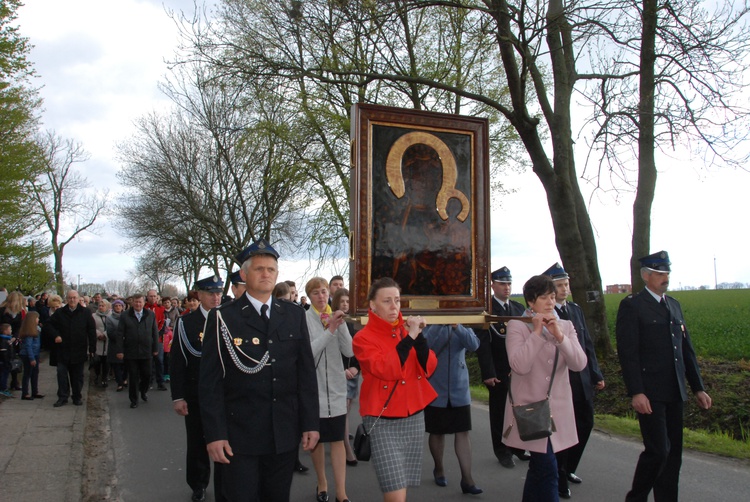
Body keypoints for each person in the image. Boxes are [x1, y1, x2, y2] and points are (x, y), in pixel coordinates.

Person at [199, 239, 320, 502]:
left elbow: (305, 375)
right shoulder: (223, 318)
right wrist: (215, 434)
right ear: (244, 274)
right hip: (239, 434)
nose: (266, 274)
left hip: (283, 432)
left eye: (271, 270)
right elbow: (210, 383)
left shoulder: (293, 314)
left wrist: (310, 423)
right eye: (259, 269)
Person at [616, 251, 712, 502]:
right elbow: (629, 353)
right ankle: (635, 498)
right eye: (660, 273)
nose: (665, 278)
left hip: (675, 390)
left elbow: (685, 351)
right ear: (646, 276)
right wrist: (636, 391)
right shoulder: (632, 306)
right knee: (658, 451)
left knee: (673, 455)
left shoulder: (674, 305)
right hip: (650, 392)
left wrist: (698, 387)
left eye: (667, 273)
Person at [352, 277, 437, 502]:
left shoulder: (405, 330)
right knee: (395, 491)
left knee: (402, 487)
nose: (394, 307)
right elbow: (385, 368)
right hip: (383, 422)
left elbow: (429, 366)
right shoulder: (363, 338)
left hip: (413, 416)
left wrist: (419, 338)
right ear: (372, 305)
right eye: (387, 301)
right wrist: (410, 336)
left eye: (397, 300)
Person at [503, 275, 587, 502]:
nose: (550, 302)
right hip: (530, 410)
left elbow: (579, 363)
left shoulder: (566, 326)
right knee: (548, 467)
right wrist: (538, 333)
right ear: (531, 301)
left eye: (552, 296)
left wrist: (559, 336)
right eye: (543, 297)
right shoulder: (517, 326)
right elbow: (519, 365)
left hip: (557, 411)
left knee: (541, 468)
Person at [540, 262, 606, 499]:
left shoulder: (575, 310)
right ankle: (558, 475)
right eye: (559, 285)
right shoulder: (547, 315)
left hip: (581, 377)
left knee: (585, 423)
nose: (565, 288)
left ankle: (570, 468)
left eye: (566, 284)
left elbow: (586, 344)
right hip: (561, 380)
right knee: (562, 430)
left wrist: (595, 373)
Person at [171, 275, 224, 502]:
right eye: (210, 293)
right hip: (196, 393)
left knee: (226, 441)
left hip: (225, 394)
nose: (215, 297)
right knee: (197, 442)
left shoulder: (229, 318)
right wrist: (178, 396)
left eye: (218, 293)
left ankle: (226, 485)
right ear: (199, 295)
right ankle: (198, 484)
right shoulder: (186, 323)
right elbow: (177, 361)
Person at [305, 277, 353, 502]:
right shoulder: (304, 319)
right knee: (317, 440)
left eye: (324, 292)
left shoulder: (337, 316)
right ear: (310, 297)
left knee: (337, 439)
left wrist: (340, 327)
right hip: (314, 389)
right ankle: (322, 482)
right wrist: (330, 330)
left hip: (335, 387)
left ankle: (341, 491)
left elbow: (350, 352)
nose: (321, 297)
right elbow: (309, 352)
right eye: (316, 293)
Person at [475, 266, 529, 468]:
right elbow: (483, 344)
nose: (506, 288)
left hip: (518, 371)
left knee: (519, 410)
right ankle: (502, 450)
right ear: (493, 285)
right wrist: (488, 372)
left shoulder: (516, 309)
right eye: (502, 284)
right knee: (499, 413)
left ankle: (518, 447)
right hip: (498, 370)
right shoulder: (487, 311)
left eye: (509, 283)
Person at [422, 323, 482, 495]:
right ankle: (438, 468)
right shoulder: (430, 323)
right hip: (435, 387)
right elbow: (425, 345)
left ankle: (467, 478)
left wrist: (457, 326)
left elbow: (474, 344)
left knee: (463, 431)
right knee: (437, 431)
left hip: (459, 387)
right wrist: (440, 325)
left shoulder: (461, 322)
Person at [49, 290, 96, 407]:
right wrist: (56, 335)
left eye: (74, 298)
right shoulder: (60, 312)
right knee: (61, 374)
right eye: (70, 298)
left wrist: (92, 349)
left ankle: (76, 396)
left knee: (77, 376)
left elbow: (91, 331)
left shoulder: (85, 312)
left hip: (78, 349)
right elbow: (48, 325)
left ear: (78, 299)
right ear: (66, 299)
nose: (72, 300)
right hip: (62, 349)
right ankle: (62, 397)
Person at [331, 288, 360, 467]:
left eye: (348, 302)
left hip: (353, 373)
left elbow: (361, 349)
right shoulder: (331, 321)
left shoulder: (356, 322)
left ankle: (341, 440)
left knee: (347, 410)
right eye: (342, 301)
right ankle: (346, 448)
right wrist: (341, 370)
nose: (345, 305)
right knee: (343, 411)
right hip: (338, 372)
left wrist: (357, 368)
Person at [115, 293, 159, 409]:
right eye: (136, 302)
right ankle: (134, 399)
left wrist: (155, 348)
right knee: (133, 376)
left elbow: (154, 332)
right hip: (131, 352)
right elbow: (120, 334)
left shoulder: (150, 315)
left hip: (146, 351)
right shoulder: (125, 316)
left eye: (140, 302)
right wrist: (120, 350)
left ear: (144, 303)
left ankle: (143, 391)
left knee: (147, 375)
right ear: (132, 303)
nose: (138, 304)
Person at [145, 289, 167, 391]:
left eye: (154, 296)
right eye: (150, 296)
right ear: (147, 297)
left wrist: (156, 334)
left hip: (158, 339)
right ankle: (148, 381)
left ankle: (160, 382)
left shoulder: (161, 309)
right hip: (146, 339)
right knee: (148, 361)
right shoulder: (144, 308)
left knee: (159, 361)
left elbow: (163, 323)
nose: (153, 298)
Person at [19, 311, 43, 400]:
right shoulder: (29, 332)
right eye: (37, 318)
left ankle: (35, 391)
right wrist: (32, 358)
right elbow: (28, 346)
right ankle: (25, 393)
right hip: (28, 355)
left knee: (35, 374)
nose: (38, 320)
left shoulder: (36, 329)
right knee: (27, 374)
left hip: (35, 354)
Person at [106, 300, 127, 391]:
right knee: (117, 365)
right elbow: (110, 332)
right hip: (115, 344)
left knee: (126, 364)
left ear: (123, 307)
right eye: (116, 306)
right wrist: (121, 336)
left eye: (120, 305)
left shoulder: (127, 317)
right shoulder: (110, 318)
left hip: (126, 344)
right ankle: (119, 383)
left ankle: (124, 378)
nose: (118, 307)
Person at [92, 299, 111, 388]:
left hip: (107, 341)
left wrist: (105, 334)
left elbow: (113, 327)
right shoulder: (93, 316)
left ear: (107, 307)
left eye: (103, 306)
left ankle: (104, 378)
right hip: (97, 341)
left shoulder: (111, 316)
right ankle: (97, 375)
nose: (101, 307)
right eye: (100, 305)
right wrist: (98, 334)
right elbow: (91, 327)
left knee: (106, 361)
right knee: (97, 360)